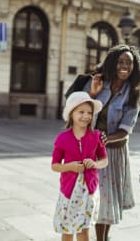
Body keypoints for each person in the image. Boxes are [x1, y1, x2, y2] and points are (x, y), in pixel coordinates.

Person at [83, 44, 140, 241]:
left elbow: (126, 129)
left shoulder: (135, 93)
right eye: (121, 62)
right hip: (90, 148)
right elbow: (80, 105)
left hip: (112, 151)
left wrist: (105, 138)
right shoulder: (99, 82)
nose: (125, 66)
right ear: (113, 63)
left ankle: (103, 238)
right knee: (91, 195)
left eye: (129, 63)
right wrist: (93, 93)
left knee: (106, 198)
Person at [51, 91, 109, 241]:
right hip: (69, 192)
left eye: (89, 112)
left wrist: (95, 164)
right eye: (81, 112)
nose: (86, 116)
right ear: (71, 114)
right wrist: (69, 166)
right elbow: (55, 165)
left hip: (89, 193)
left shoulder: (96, 136)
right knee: (68, 230)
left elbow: (104, 160)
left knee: (84, 231)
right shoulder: (62, 138)